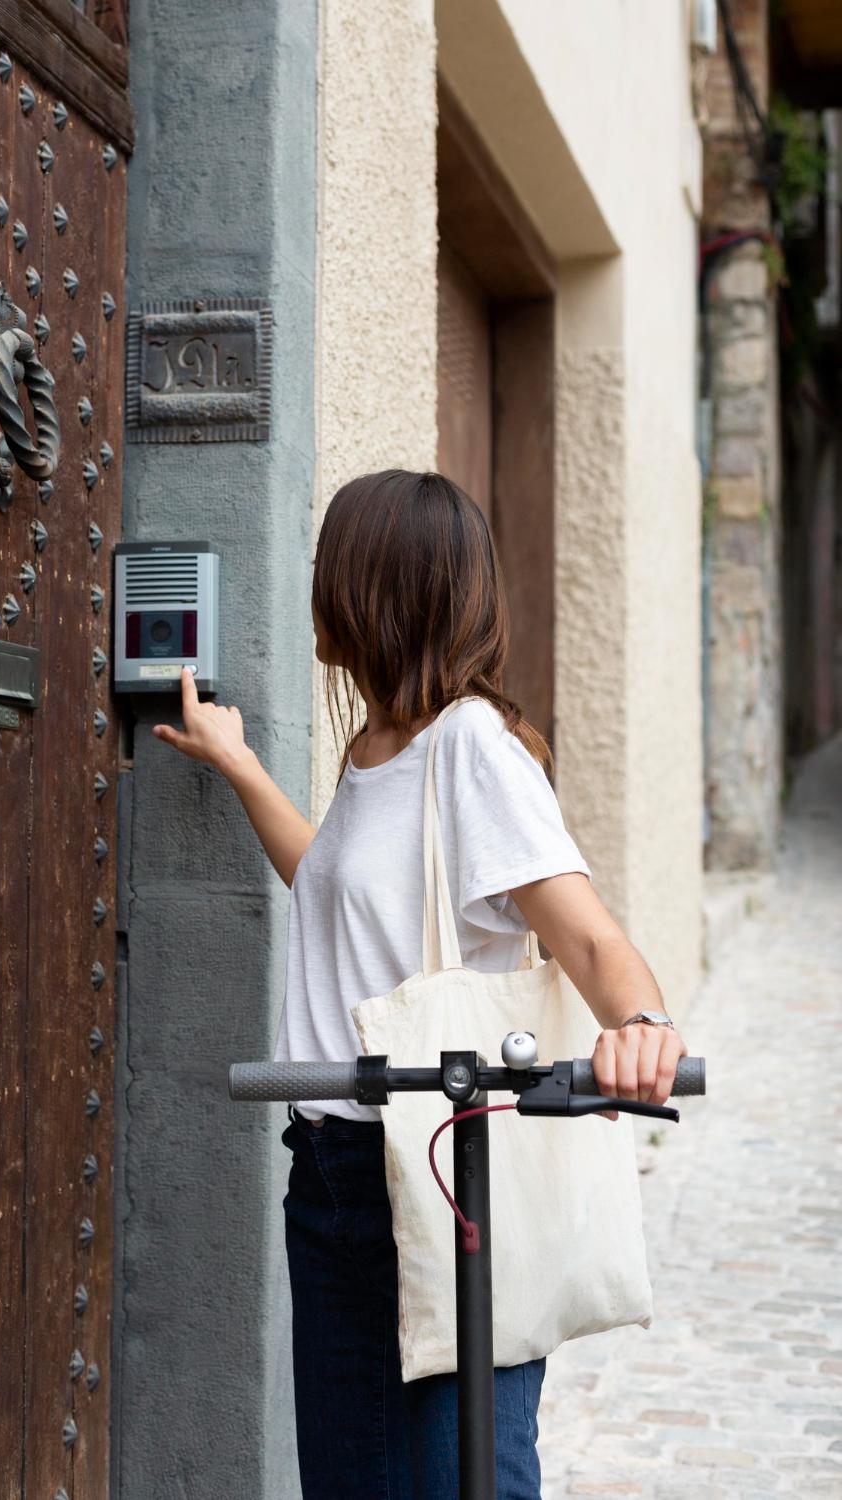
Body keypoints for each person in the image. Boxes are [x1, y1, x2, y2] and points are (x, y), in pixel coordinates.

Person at [152, 468, 689, 1500]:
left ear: (376, 587)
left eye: (331, 564)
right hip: (331, 1177)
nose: (316, 582)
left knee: (461, 1479)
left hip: (440, 1172)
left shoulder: (473, 749)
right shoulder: (375, 749)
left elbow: (587, 939)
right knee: (352, 1482)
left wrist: (644, 1025)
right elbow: (333, 893)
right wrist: (242, 769)